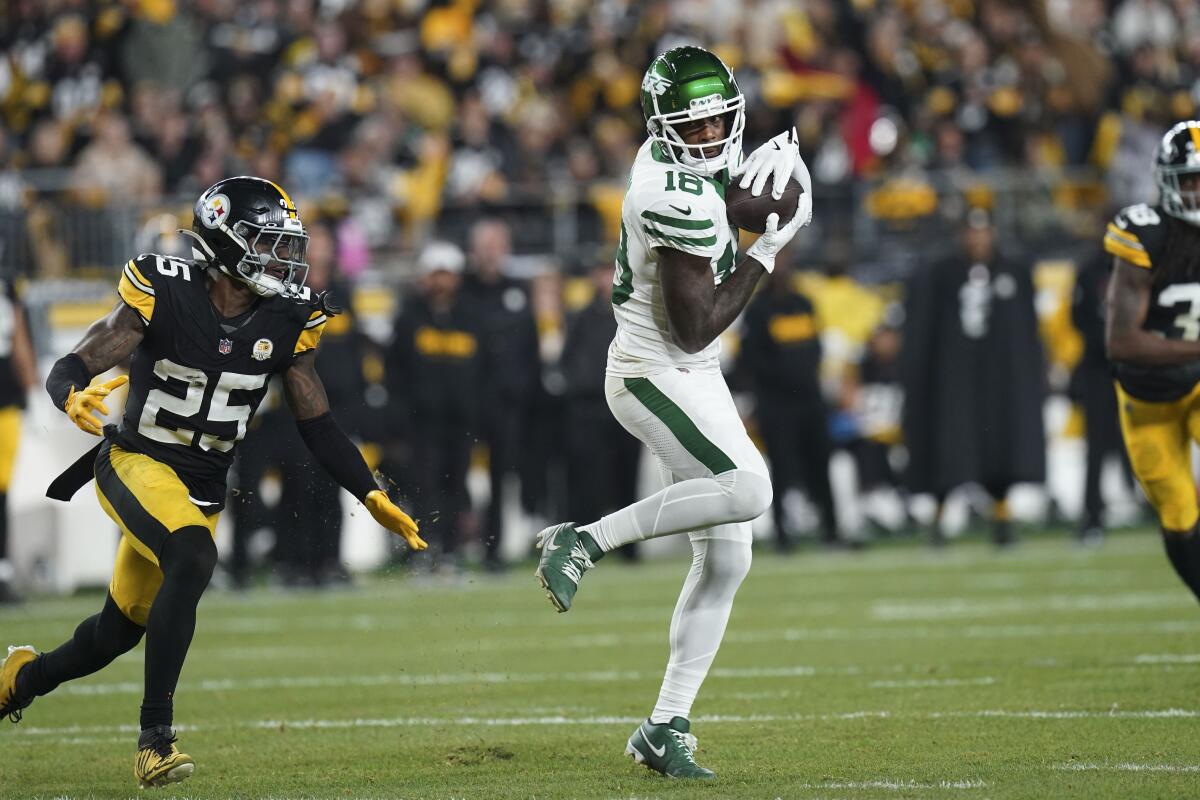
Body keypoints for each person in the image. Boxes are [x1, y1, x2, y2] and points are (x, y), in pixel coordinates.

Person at [0, 177, 426, 789]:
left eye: (287, 245)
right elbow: (80, 359)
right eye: (267, 242)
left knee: (117, 631)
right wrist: (67, 392)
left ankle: (21, 679)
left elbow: (318, 422)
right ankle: (155, 739)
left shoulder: (288, 318)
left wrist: (369, 490)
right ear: (226, 244)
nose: (284, 259)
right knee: (194, 554)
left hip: (202, 486)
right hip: (136, 463)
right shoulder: (165, 290)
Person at [533, 46, 812, 779]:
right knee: (752, 489)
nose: (710, 136)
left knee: (729, 553)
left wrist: (757, 190)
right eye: (692, 128)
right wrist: (772, 244)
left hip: (691, 370)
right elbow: (697, 324)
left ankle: (665, 726)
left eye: (720, 119)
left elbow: (721, 186)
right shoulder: (668, 194)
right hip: (654, 368)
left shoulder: (690, 169)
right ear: (662, 128)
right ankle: (583, 540)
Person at [900, 206, 1046, 546]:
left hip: (998, 379)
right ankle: (937, 522)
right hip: (955, 379)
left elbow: (1027, 333)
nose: (977, 238)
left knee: (1000, 447)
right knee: (949, 449)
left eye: (983, 231)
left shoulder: (1014, 272)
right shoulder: (938, 275)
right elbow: (922, 333)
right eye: (971, 231)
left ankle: (1003, 518)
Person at [1104, 120, 1200, 603]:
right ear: (1167, 180)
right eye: (1191, 179)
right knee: (1179, 509)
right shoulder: (1147, 234)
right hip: (1148, 394)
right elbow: (1122, 342)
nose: (1199, 192)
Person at [386, 241, 483, 569]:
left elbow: (483, 369)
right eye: (436, 274)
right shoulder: (409, 316)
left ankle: (451, 551)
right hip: (420, 421)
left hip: (459, 421)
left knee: (455, 485)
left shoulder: (471, 316)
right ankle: (424, 551)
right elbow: (394, 370)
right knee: (422, 488)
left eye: (447, 274)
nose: (442, 281)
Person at [739, 256, 839, 549]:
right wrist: (788, 379)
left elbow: (817, 347)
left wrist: (804, 378)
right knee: (781, 468)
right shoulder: (758, 310)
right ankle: (782, 535)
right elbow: (752, 359)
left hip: (810, 400)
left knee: (821, 464)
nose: (782, 270)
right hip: (777, 404)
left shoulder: (804, 303)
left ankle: (831, 530)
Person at [460, 219, 539, 571]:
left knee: (502, 475)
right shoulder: (461, 291)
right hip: (466, 399)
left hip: (508, 402)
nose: (491, 252)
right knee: (456, 471)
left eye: (496, 244)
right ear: (474, 250)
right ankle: (450, 546)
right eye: (485, 245)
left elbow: (531, 347)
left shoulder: (518, 290)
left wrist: (523, 388)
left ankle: (495, 548)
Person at [560, 257, 642, 561]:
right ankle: (586, 546)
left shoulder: (632, 315)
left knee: (626, 479)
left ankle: (629, 548)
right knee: (587, 481)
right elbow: (567, 362)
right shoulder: (580, 318)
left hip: (626, 409)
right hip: (590, 409)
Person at [0, 274, 37, 603]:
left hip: (5, 400)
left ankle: (2, 571)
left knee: (1, 489)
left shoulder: (8, 285)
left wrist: (32, 391)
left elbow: (19, 342)